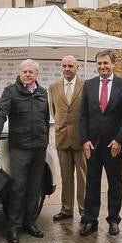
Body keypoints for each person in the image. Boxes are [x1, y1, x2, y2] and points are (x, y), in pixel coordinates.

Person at [0, 59, 50, 243]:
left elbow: (46, 119)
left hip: (39, 147)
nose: (28, 74)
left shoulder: (42, 92)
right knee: (18, 187)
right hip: (20, 148)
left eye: (31, 72)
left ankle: (30, 223)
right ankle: (13, 227)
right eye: (25, 71)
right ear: (20, 73)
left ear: (37, 74)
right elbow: (0, 115)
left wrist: (46, 139)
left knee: (35, 187)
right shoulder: (11, 91)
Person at [79, 49, 122, 237]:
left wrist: (120, 139)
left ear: (113, 64)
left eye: (106, 63)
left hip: (114, 145)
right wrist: (85, 139)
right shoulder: (88, 85)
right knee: (92, 183)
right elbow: (83, 115)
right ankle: (90, 220)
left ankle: (113, 220)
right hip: (92, 144)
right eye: (99, 63)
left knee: (115, 182)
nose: (102, 67)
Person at [48, 55, 86, 223]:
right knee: (66, 176)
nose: (67, 69)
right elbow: (53, 111)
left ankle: (84, 210)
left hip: (81, 138)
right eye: (64, 66)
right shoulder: (53, 87)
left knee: (83, 177)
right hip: (62, 137)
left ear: (77, 67)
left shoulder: (86, 85)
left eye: (70, 66)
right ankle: (66, 209)